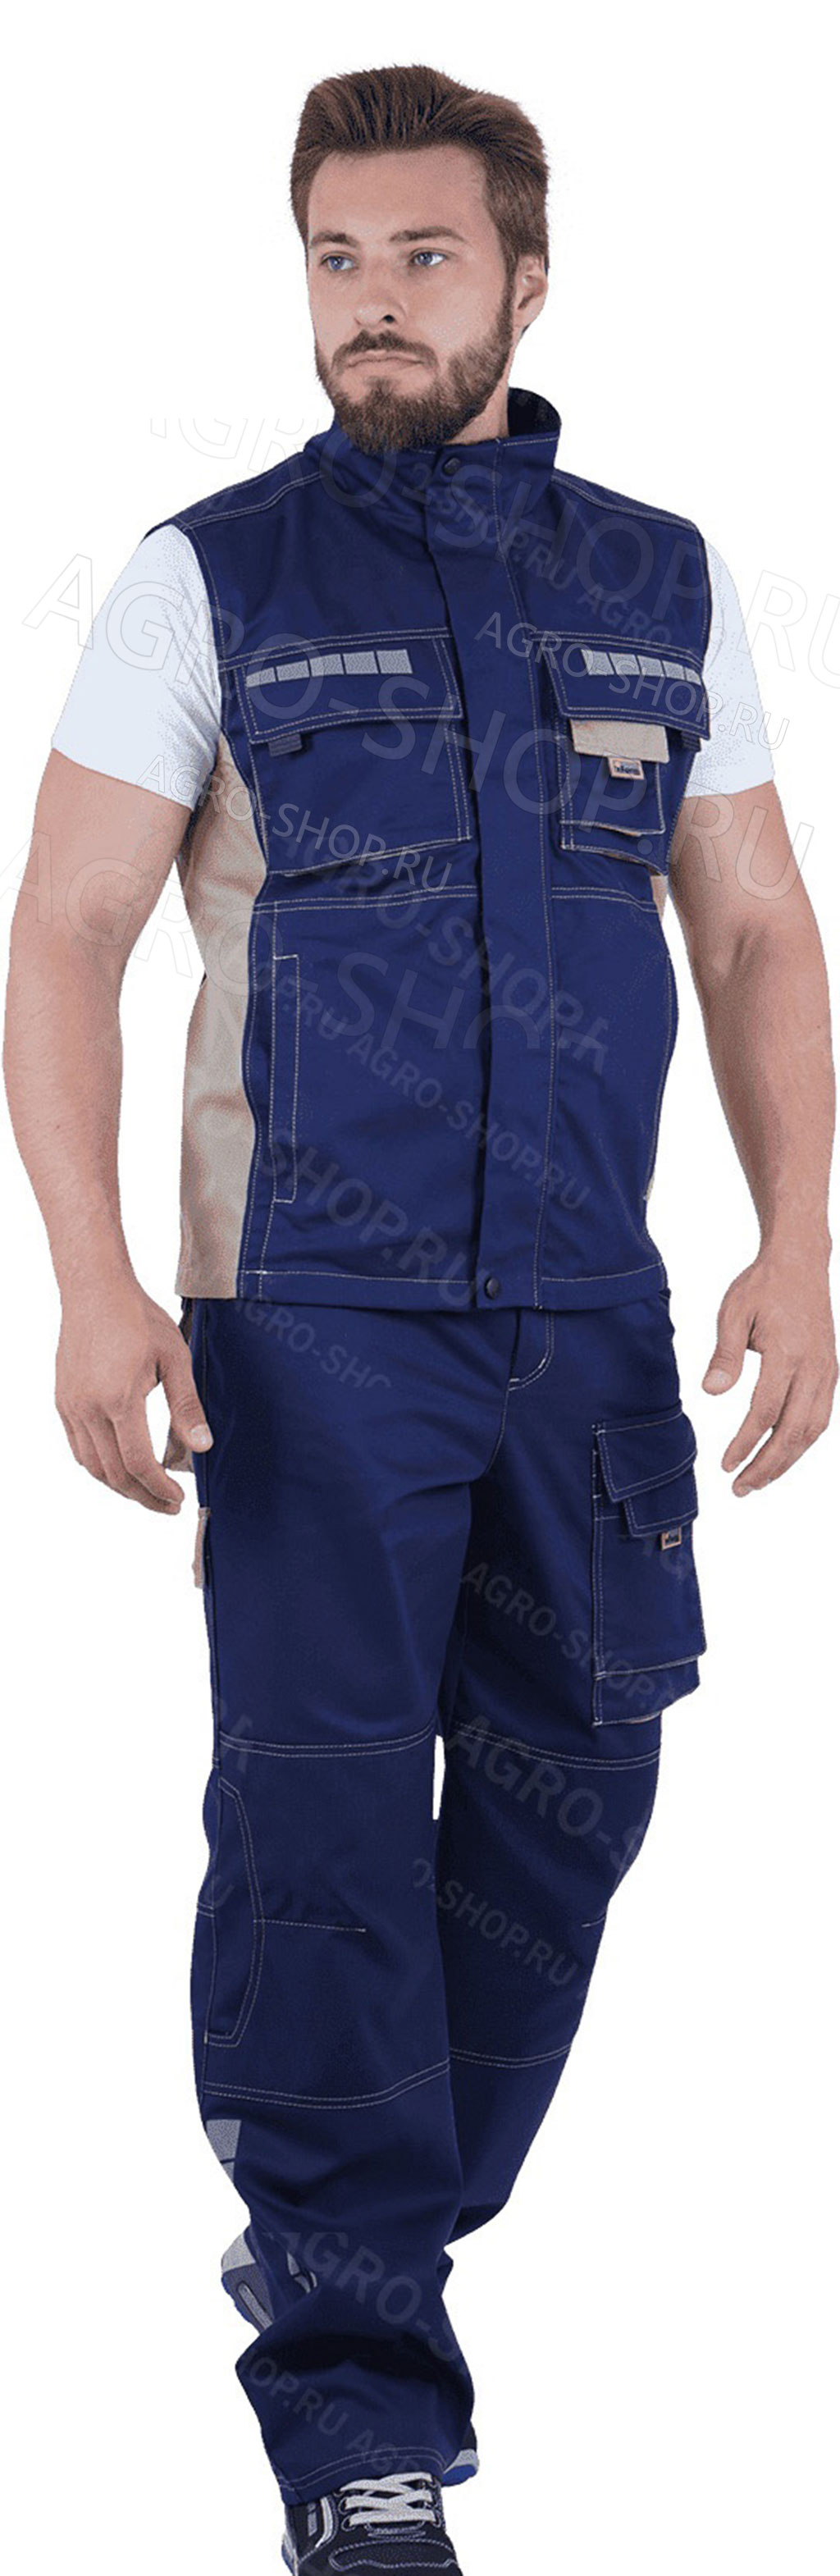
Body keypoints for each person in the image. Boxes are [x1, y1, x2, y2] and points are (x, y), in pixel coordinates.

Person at [4, 61, 836, 2576]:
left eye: (424, 259)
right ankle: (358, 2410)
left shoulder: (661, 579)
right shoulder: (211, 579)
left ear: (527, 280)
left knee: (584, 1783)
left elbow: (758, 932)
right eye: (337, 262)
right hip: (309, 1323)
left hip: (586, 1313)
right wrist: (94, 1280)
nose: (373, 305)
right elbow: (66, 934)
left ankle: (342, 2223)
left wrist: (800, 1231)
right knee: (333, 1836)